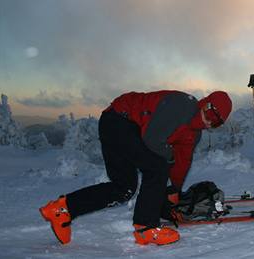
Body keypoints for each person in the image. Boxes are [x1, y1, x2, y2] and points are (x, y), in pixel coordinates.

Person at [39, 90, 232, 246]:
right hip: (119, 120)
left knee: (123, 188)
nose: (210, 121)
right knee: (157, 166)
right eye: (211, 113)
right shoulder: (182, 105)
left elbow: (182, 161)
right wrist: (166, 171)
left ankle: (62, 209)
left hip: (119, 126)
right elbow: (152, 138)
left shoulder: (194, 134)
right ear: (205, 103)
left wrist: (174, 190)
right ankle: (146, 228)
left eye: (217, 122)